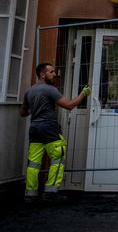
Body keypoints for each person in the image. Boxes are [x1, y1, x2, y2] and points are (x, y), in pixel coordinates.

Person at [20, 62, 91, 200]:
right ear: (42, 74)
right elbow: (69, 106)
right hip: (49, 128)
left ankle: (30, 194)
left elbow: (23, 113)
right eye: (51, 72)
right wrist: (83, 94)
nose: (54, 74)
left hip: (34, 128)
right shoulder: (50, 90)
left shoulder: (29, 91)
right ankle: (51, 192)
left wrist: (36, 109)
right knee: (58, 157)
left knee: (33, 163)